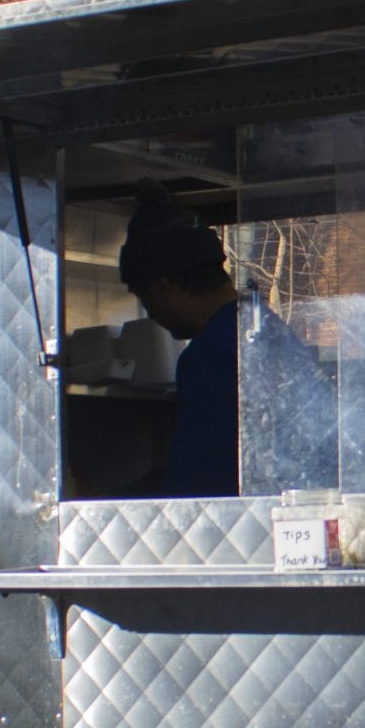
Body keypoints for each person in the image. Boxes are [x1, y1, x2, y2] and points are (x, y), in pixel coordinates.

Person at [118, 188, 242, 497]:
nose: (152, 315)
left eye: (146, 302)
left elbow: (195, 484)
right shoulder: (264, 329)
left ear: (164, 289)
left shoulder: (209, 356)